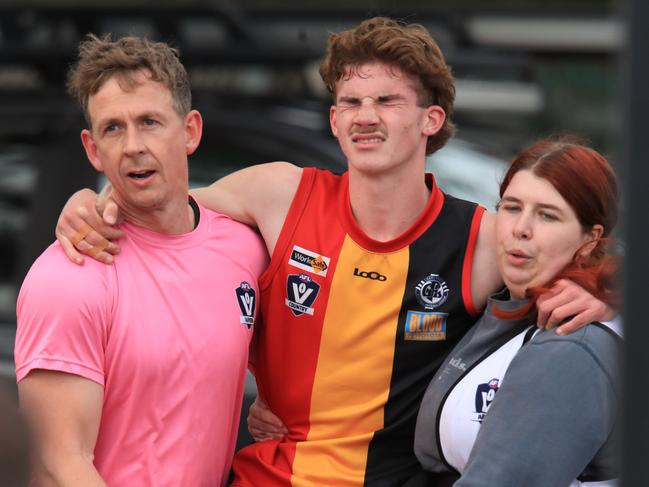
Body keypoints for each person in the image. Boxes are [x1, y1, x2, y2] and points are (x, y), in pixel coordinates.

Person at [55, 18, 611, 486]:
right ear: (335, 120)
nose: (365, 115)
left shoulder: (481, 237)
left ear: (430, 120)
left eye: (387, 100)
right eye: (350, 101)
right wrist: (89, 198)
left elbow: (579, 250)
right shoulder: (279, 193)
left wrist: (608, 292)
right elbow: (157, 204)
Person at [14, 35, 267, 486]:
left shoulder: (244, 248)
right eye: (113, 128)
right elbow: (60, 465)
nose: (132, 145)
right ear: (93, 149)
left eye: (149, 122)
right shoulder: (70, 275)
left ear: (190, 130)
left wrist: (278, 402)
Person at [414, 138, 621, 486]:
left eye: (547, 215)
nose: (520, 228)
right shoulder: (505, 300)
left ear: (590, 238)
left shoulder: (572, 339)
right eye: (511, 207)